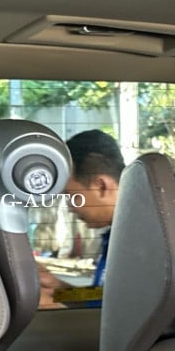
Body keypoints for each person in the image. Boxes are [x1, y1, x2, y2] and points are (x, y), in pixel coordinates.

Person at [37, 129, 124, 307]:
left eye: (71, 196)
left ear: (101, 186)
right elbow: (104, 297)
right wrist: (59, 290)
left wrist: (51, 305)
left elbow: (126, 313)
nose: (70, 208)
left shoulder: (147, 242)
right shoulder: (117, 234)